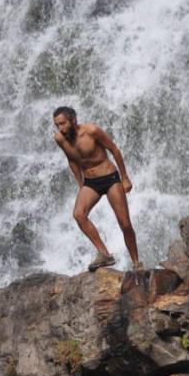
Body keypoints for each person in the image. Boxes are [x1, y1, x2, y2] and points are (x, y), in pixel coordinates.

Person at [53, 105, 142, 271]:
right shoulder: (59, 139)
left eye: (63, 123)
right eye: (57, 125)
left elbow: (114, 150)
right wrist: (81, 184)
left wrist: (125, 178)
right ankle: (105, 254)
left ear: (73, 120)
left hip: (110, 178)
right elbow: (71, 160)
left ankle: (137, 263)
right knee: (79, 214)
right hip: (90, 181)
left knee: (125, 223)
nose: (61, 128)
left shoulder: (92, 131)